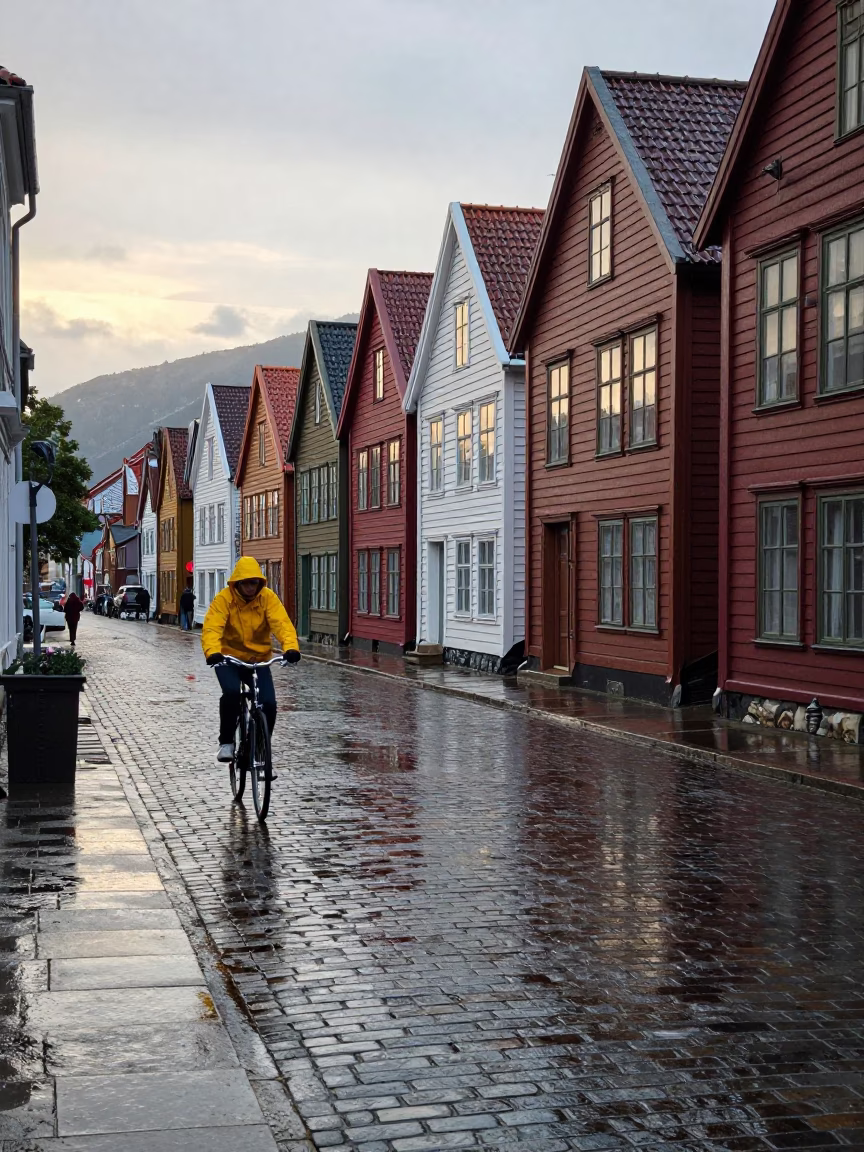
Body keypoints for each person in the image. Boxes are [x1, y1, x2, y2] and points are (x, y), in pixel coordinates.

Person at [201, 557, 301, 763]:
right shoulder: (224, 599)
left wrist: (290, 648)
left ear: (259, 583)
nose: (249, 587)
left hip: (258, 659)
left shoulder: (267, 598)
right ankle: (226, 742)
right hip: (228, 658)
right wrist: (213, 652)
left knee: (269, 704)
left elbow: (282, 624)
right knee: (230, 692)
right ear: (237, 582)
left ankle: (259, 750)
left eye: (253, 583)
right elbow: (213, 627)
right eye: (245, 583)